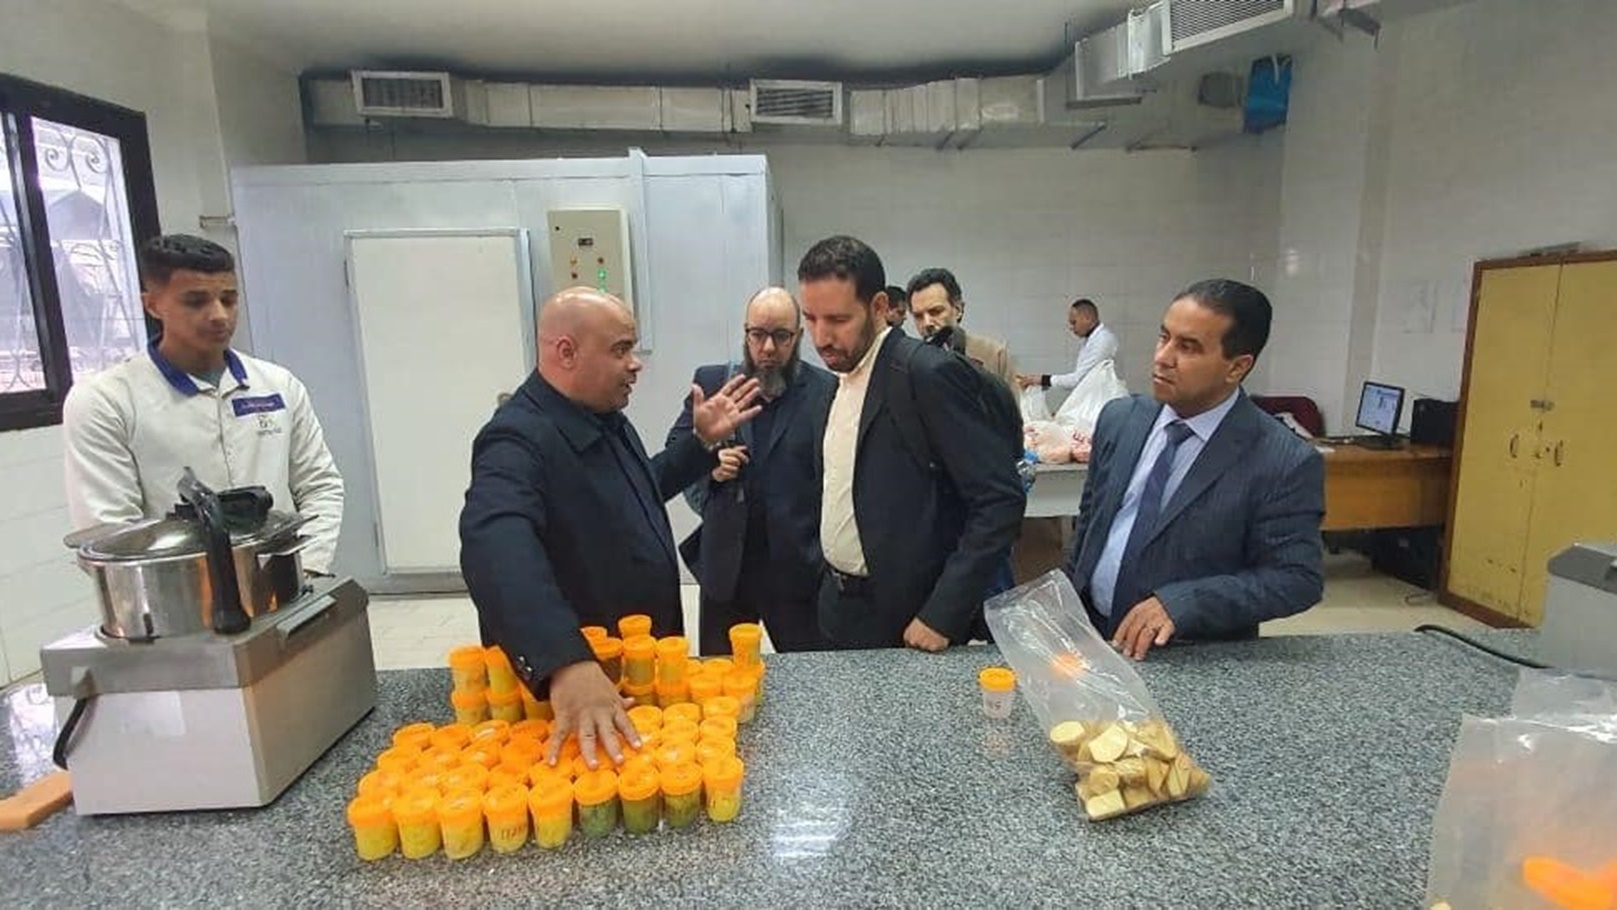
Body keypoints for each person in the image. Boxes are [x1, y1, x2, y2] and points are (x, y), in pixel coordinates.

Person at [459, 287, 760, 768]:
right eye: (621, 350)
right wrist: (565, 662)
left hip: (634, 669)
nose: (635, 364)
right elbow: (495, 547)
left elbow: (636, 492)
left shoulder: (603, 419)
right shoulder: (516, 438)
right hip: (587, 693)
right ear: (566, 352)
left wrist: (700, 444)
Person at [1065, 279, 1324, 661]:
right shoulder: (1121, 419)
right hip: (1092, 634)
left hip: (1189, 652)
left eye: (1187, 347)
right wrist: (1070, 595)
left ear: (1237, 366)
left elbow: (1296, 578)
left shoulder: (1281, 459)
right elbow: (1092, 518)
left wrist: (1185, 602)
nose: (1163, 357)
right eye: (1164, 337)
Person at [62, 234, 344, 574]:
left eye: (229, 299)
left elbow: (321, 485)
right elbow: (110, 534)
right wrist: (188, 592)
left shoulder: (278, 386)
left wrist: (307, 568)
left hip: (283, 582)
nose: (219, 315)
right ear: (152, 305)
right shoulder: (105, 401)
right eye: (196, 302)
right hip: (176, 595)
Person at [799, 236, 1024, 652]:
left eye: (837, 319)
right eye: (810, 319)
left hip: (910, 620)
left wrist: (942, 614)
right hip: (838, 607)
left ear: (879, 307)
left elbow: (1000, 500)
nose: (821, 337)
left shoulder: (925, 375)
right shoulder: (836, 382)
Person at [666, 287, 835, 655]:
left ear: (798, 337)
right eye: (757, 334)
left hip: (798, 569)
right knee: (721, 674)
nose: (768, 348)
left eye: (781, 335)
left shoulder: (826, 390)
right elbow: (676, 450)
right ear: (745, 333)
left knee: (811, 673)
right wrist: (709, 464)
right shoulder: (713, 383)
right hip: (727, 565)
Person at [906, 268, 1017, 392]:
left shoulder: (993, 355)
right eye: (918, 316)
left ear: (958, 309)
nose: (927, 323)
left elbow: (1010, 403)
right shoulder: (909, 363)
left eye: (936, 311)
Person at [1017, 298, 1119, 393]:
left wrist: (1040, 380)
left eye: (1074, 322)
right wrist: (1041, 382)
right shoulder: (1091, 339)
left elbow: (1077, 380)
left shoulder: (1103, 339)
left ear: (1088, 318)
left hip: (1104, 398)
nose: (1071, 327)